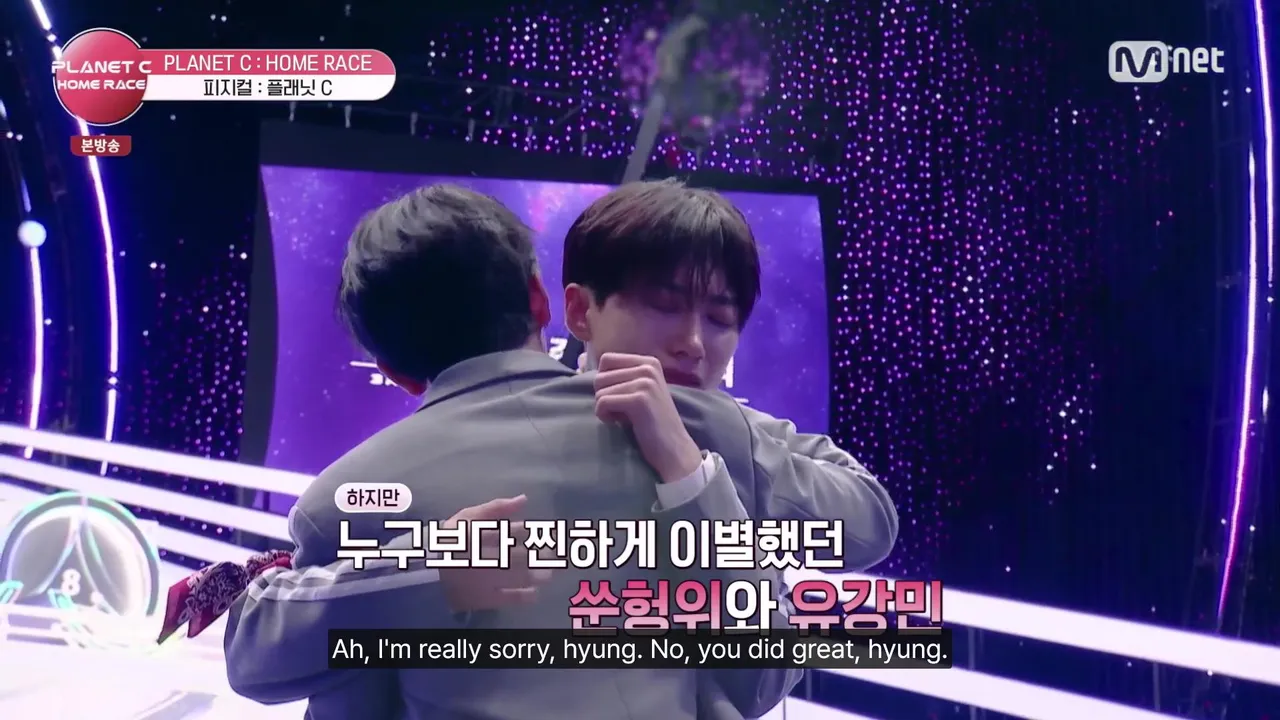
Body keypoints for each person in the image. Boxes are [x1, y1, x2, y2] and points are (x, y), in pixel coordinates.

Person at [221, 184, 806, 720]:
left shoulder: (345, 498)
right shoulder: (687, 437)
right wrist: (694, 481)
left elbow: (257, 665)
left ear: (393, 372)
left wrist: (419, 574)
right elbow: (762, 676)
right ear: (541, 300)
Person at [561, 179, 897, 571]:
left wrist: (708, 442)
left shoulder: (742, 430)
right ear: (581, 312)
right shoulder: (527, 417)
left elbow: (870, 527)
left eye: (719, 319)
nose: (693, 343)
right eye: (665, 306)